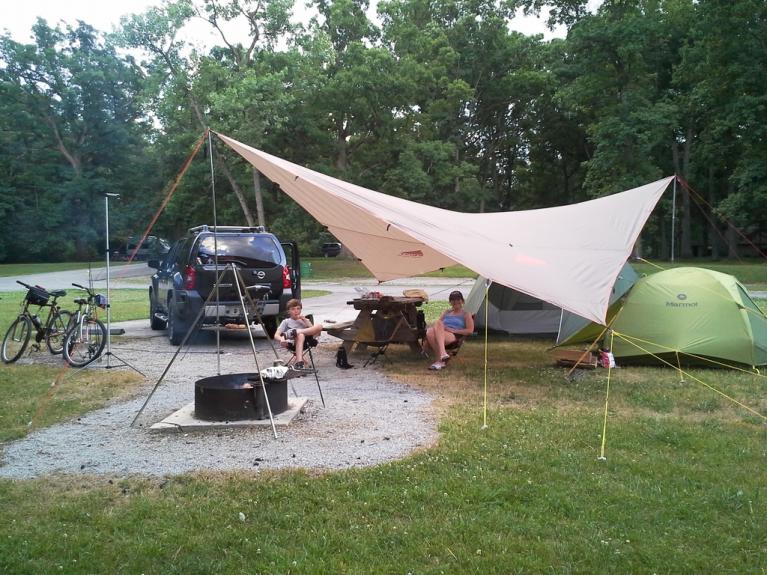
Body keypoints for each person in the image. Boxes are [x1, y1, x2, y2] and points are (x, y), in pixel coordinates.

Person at [424, 290, 474, 370]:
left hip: (453, 335)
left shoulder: (466, 314)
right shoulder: (446, 312)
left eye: (458, 299)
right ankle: (441, 358)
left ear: (462, 301)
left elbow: (470, 330)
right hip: (441, 333)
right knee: (431, 330)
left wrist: (453, 330)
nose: (456, 302)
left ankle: (441, 356)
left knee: (435, 327)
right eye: (453, 300)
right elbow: (438, 325)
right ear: (450, 302)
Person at [275, 299, 323, 368]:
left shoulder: (304, 320)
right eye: (293, 309)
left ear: (301, 310)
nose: (296, 311)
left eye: (298, 308)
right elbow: (276, 335)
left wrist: (306, 321)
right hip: (293, 343)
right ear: (289, 311)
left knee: (320, 326)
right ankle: (299, 362)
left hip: (307, 342)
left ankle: (296, 332)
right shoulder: (286, 322)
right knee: (300, 335)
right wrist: (281, 339)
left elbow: (314, 332)